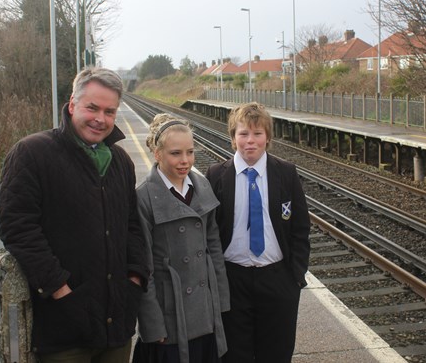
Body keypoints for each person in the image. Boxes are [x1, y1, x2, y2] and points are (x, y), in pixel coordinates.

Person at [0, 67, 149, 363]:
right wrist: (60, 291)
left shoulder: (121, 162)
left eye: (109, 111)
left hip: (116, 323)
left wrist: (135, 279)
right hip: (62, 329)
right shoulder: (33, 153)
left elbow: (132, 226)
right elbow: (17, 226)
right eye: (92, 107)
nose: (100, 119)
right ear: (72, 105)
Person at [206, 102, 310, 363]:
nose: (250, 141)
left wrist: (295, 276)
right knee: (233, 355)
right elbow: (209, 231)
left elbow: (300, 227)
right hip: (232, 280)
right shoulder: (217, 175)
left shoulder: (286, 173)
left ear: (268, 138)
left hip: (277, 279)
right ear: (232, 138)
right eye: (243, 134)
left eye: (257, 134)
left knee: (276, 354)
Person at [132, 114, 230, 363]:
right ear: (157, 153)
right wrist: (152, 326)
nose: (185, 161)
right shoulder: (144, 197)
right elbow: (144, 269)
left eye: (190, 152)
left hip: (204, 312)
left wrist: (219, 304)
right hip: (170, 316)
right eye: (176, 153)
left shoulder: (202, 185)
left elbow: (214, 248)